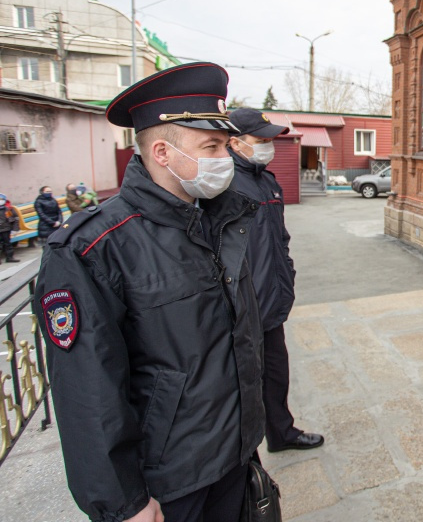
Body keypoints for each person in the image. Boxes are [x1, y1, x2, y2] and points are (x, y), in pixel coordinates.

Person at [33, 62, 265, 522]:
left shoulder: (220, 220)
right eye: (213, 146)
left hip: (233, 455)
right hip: (170, 482)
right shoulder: (93, 247)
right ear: (162, 151)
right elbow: (87, 392)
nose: (227, 157)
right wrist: (124, 503)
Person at [227, 106, 325, 453]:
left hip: (270, 300)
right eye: (260, 140)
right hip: (240, 307)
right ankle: (241, 455)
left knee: (276, 374)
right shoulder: (223, 184)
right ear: (236, 144)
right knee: (241, 383)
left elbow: (278, 238)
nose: (269, 146)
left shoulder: (265, 180)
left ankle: (281, 433)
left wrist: (288, 276)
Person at [0, 193, 20, 263]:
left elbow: (15, 219)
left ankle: (10, 257)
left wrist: (15, 229)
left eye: (2, 199)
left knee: (7, 244)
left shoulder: (9, 209)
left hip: (6, 229)